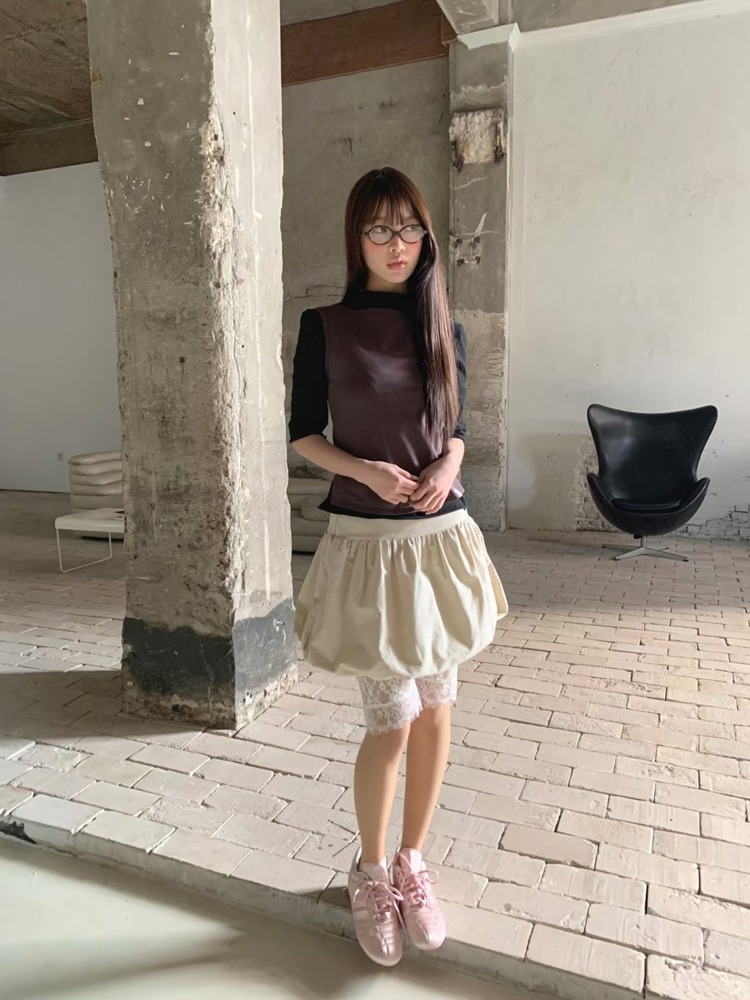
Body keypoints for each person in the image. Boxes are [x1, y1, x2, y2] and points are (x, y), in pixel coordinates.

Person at [289, 166, 508, 966]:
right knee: (393, 716)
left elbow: (457, 430)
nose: (396, 243)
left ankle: (414, 861)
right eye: (379, 228)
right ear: (357, 237)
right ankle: (371, 870)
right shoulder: (325, 326)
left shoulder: (444, 326)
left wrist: (450, 463)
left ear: (426, 238)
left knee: (439, 706)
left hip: (440, 540)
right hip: (371, 548)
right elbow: (302, 433)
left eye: (409, 227)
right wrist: (365, 471)